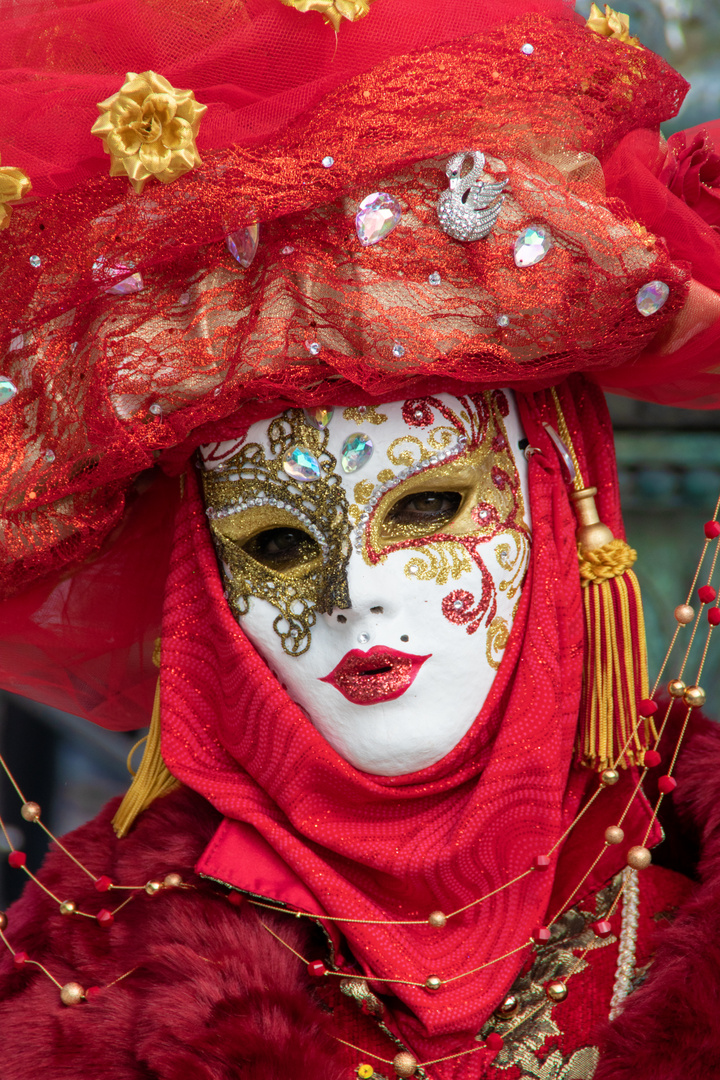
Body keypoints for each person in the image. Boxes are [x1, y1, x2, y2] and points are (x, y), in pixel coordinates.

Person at [0, 1, 719, 1077]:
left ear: (563, 504)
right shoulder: (86, 999)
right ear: (204, 585)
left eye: (424, 506)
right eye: (278, 544)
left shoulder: (684, 905)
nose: (357, 598)